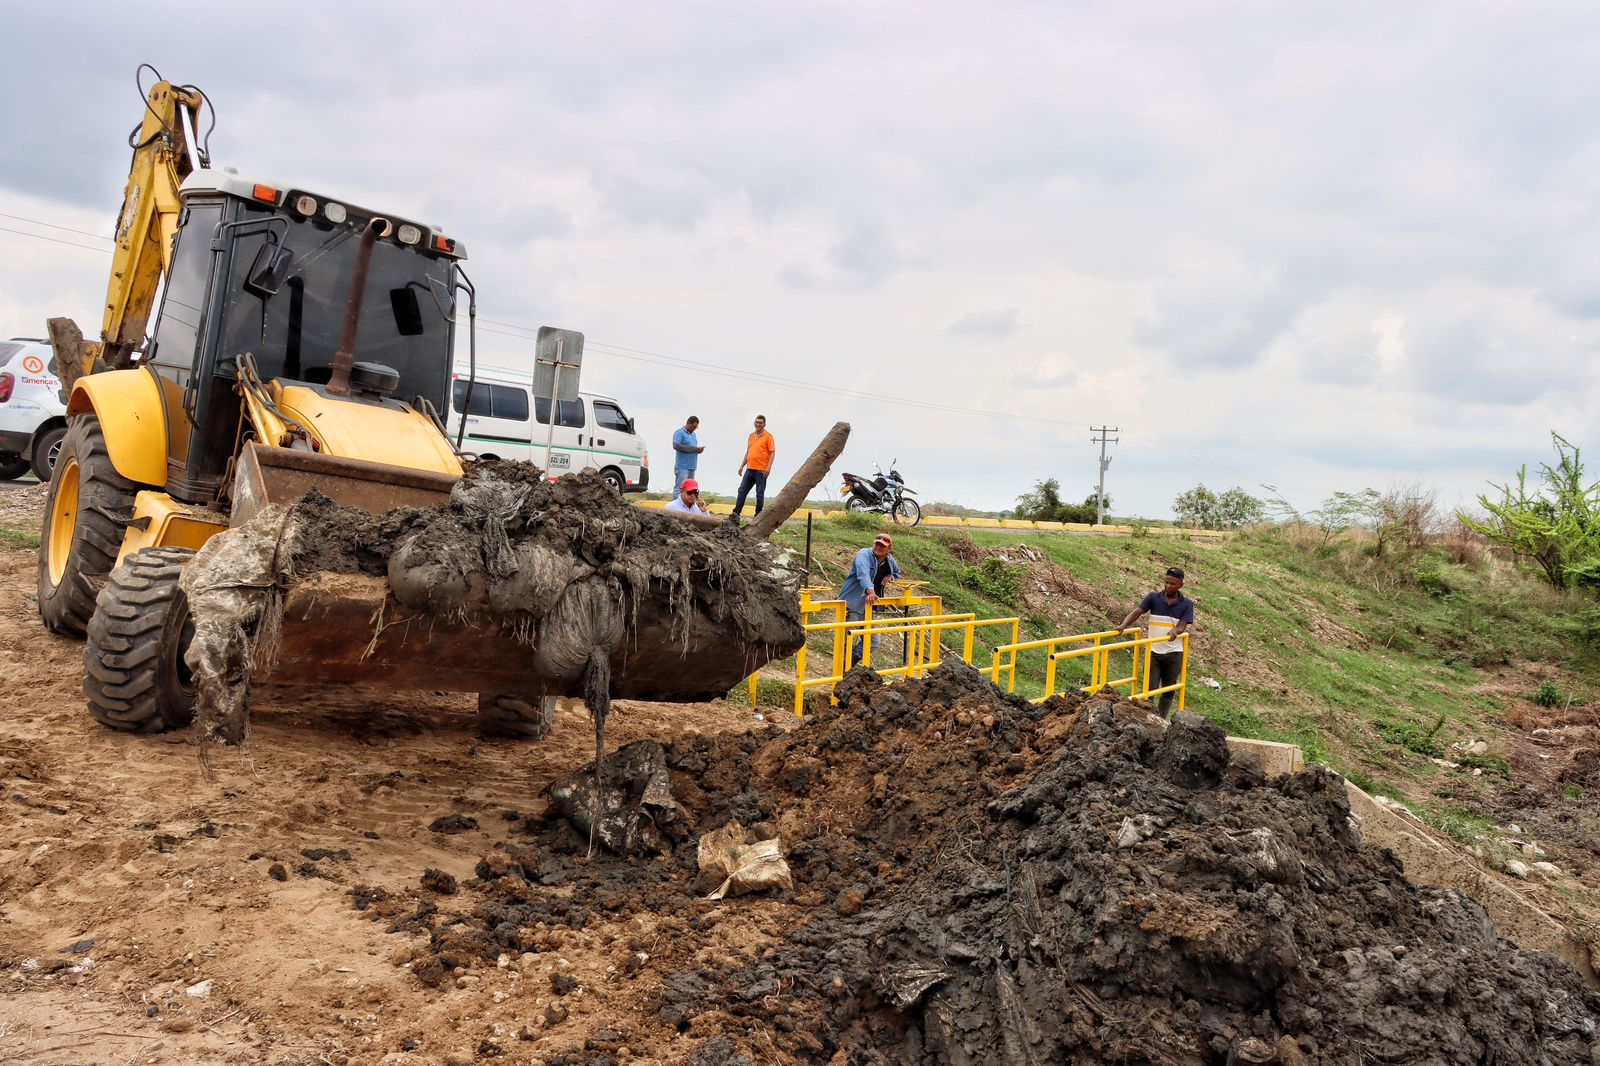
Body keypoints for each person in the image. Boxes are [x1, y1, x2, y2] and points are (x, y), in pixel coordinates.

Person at [1117, 566, 1195, 718]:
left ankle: (1160, 719)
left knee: (1168, 690)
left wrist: (1175, 631)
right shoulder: (1153, 598)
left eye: (1172, 584)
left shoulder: (1187, 604)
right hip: (1153, 652)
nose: (1168, 586)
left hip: (1174, 653)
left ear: (1180, 585)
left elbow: (1182, 625)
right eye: (1166, 582)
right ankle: (1147, 718)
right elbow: (1137, 612)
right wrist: (1123, 625)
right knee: (1150, 689)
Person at [838, 532, 902, 667]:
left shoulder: (889, 560)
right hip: (852, 603)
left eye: (882, 546)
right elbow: (863, 574)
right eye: (877, 544)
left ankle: (848, 664)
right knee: (846, 638)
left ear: (889, 549)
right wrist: (871, 591)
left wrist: (890, 576)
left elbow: (897, 572)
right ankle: (838, 670)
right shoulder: (863, 554)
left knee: (873, 640)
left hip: (868, 607)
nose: (878, 547)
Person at [731, 414, 774, 518]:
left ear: (764, 424)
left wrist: (768, 468)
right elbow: (748, 452)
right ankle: (736, 514)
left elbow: (772, 452)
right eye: (756, 422)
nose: (758, 424)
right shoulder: (751, 435)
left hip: (761, 471)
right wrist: (742, 466)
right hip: (750, 469)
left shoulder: (768, 436)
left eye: (760, 422)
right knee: (742, 491)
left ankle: (758, 515)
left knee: (759, 494)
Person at [671, 416, 704, 499]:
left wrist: (698, 450)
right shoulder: (679, 432)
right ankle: (675, 508)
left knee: (690, 488)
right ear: (688, 423)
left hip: (692, 465)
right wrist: (693, 449)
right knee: (680, 488)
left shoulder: (693, 435)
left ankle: (686, 507)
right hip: (682, 466)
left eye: (696, 427)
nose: (694, 429)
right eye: (693, 426)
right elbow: (676, 445)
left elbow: (693, 448)